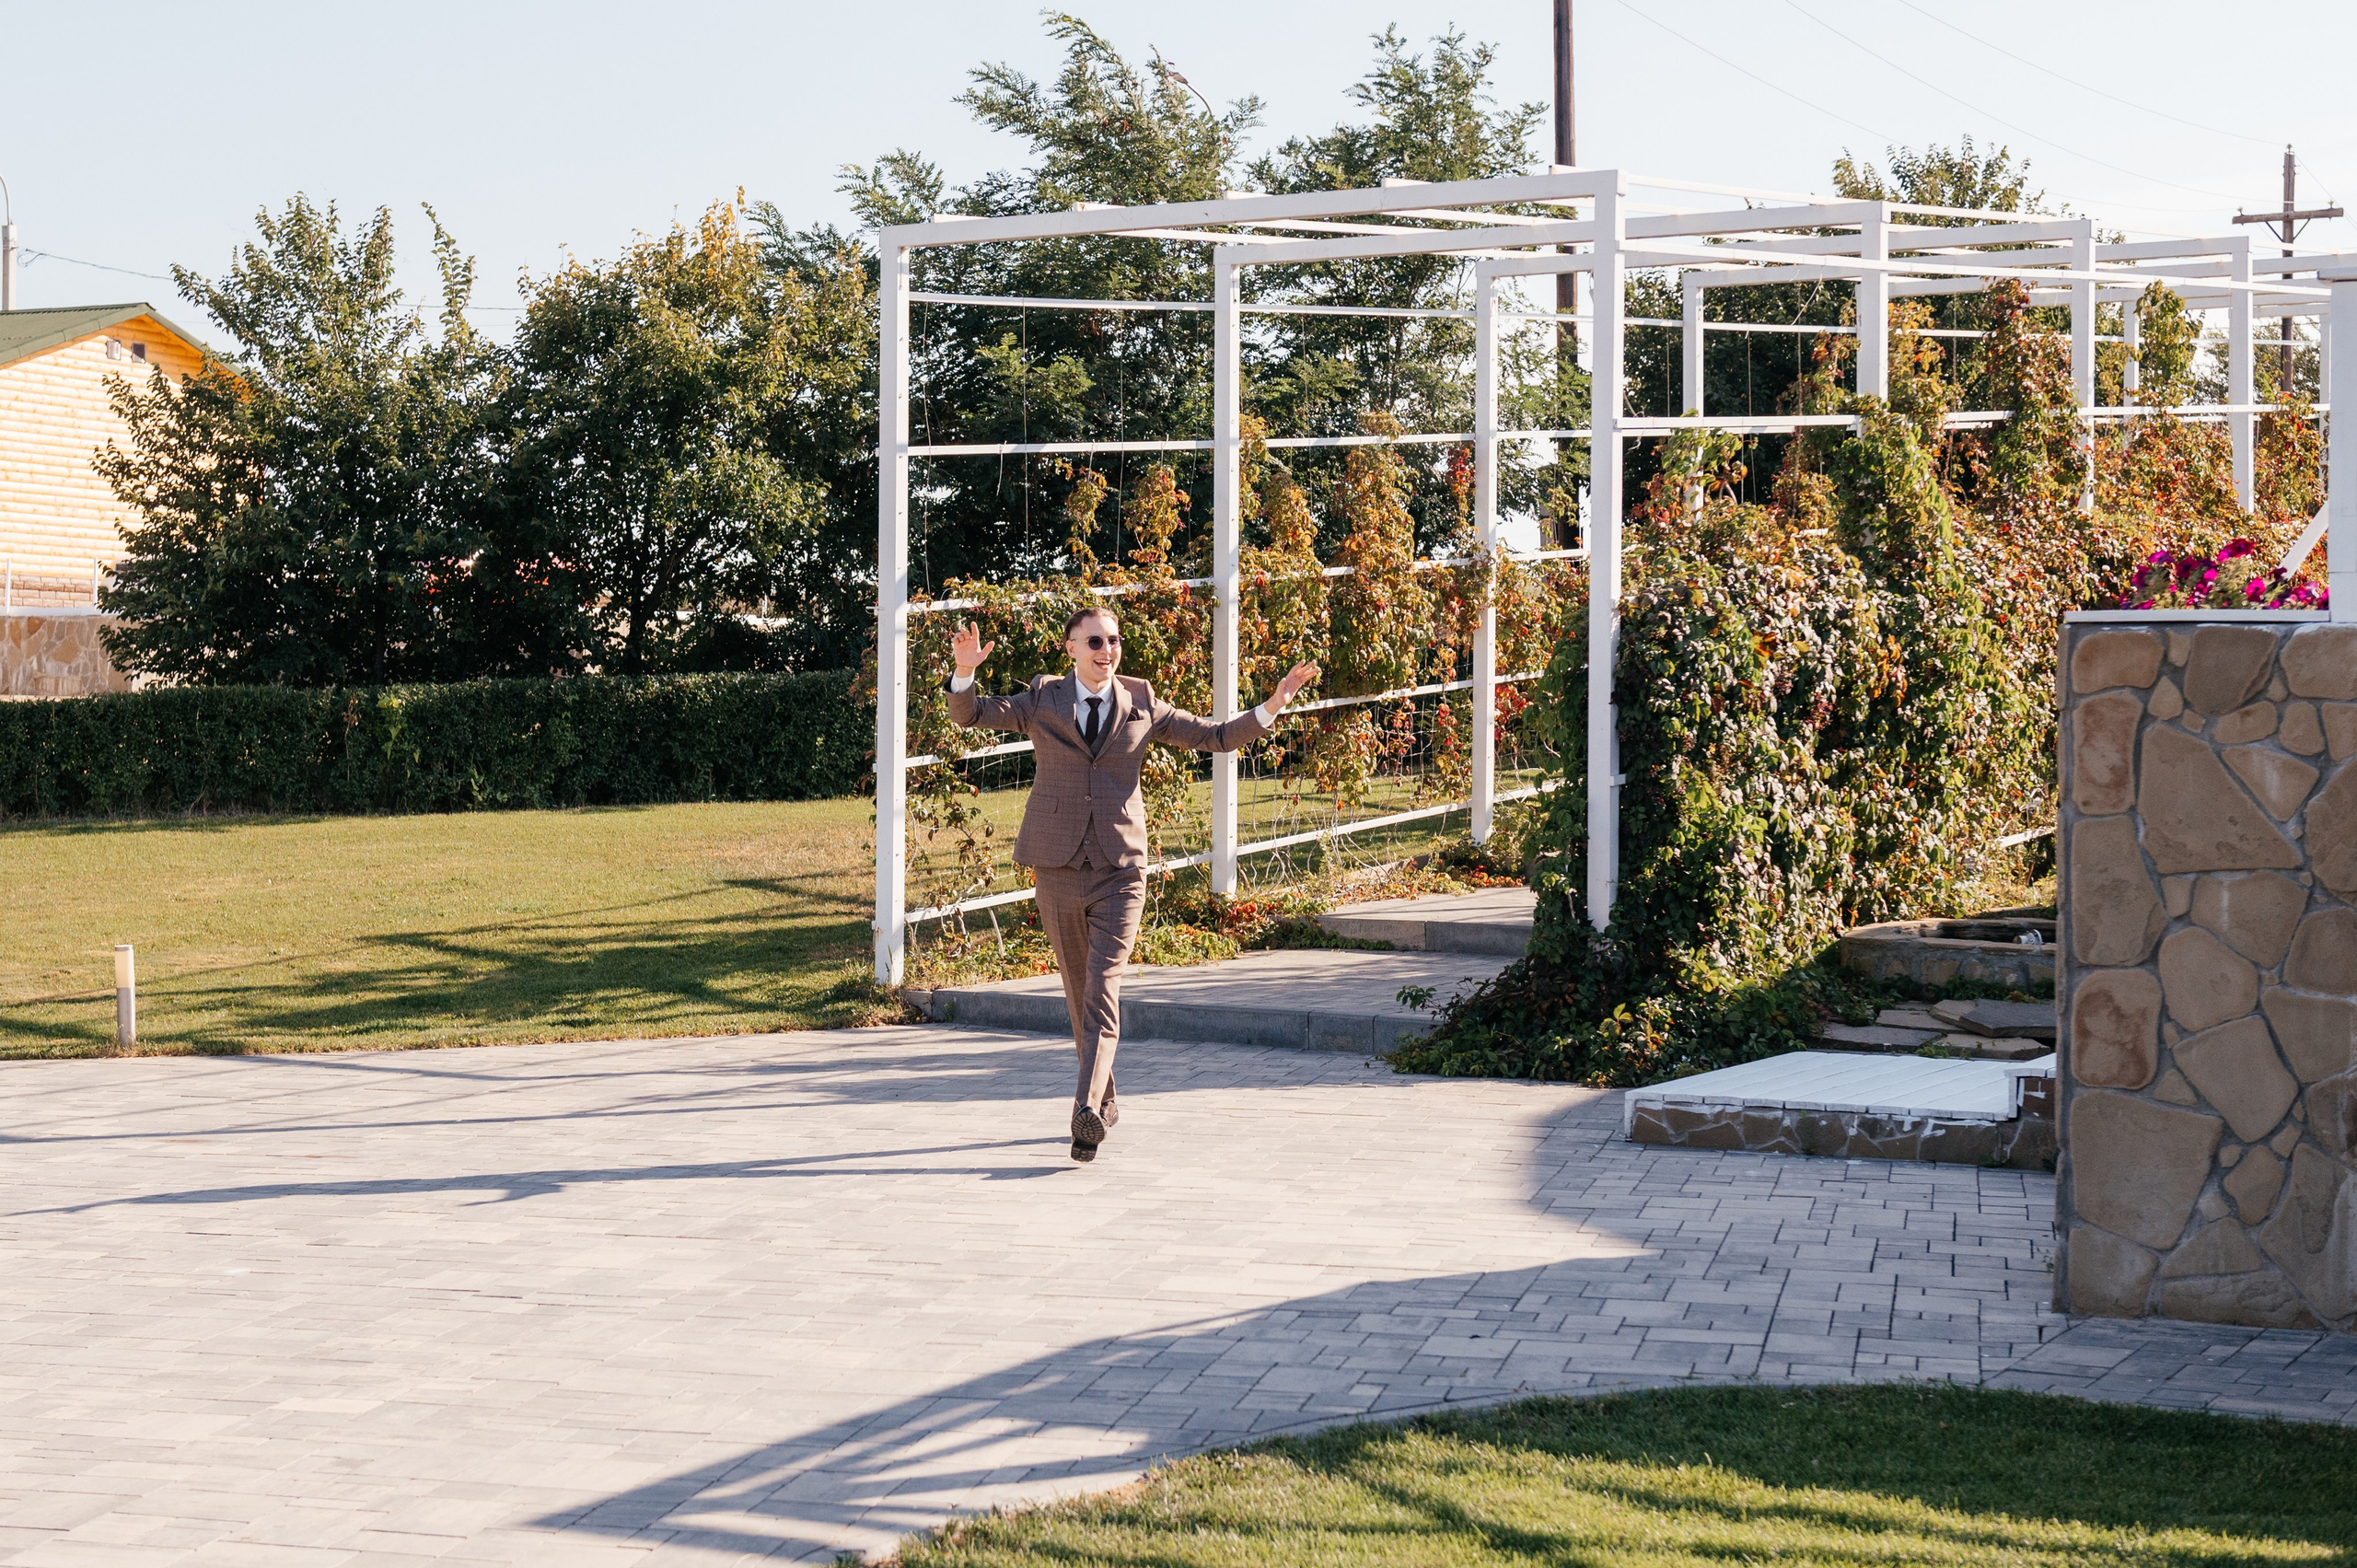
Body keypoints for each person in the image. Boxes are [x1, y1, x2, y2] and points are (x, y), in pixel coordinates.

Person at [947, 607, 1318, 1162]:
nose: (1107, 649)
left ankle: (1085, 1112)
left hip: (1121, 868)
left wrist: (1275, 702)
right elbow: (971, 716)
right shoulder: (1043, 698)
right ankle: (1106, 1095)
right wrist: (965, 672)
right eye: (1095, 640)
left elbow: (1215, 736)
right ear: (1071, 646)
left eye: (1114, 640)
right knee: (1079, 993)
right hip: (1057, 865)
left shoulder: (1141, 700)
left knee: (1103, 986)